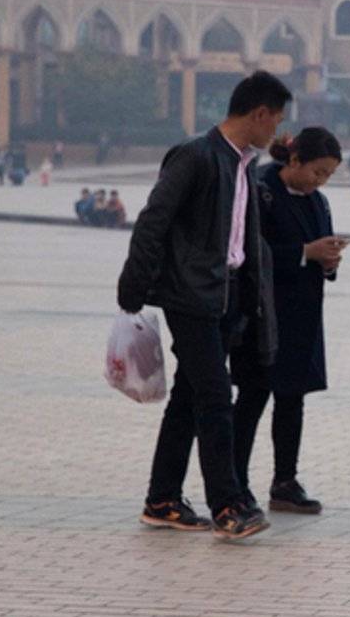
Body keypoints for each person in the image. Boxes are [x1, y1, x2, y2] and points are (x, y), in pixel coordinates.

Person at [116, 70, 289, 541]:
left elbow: (243, 236)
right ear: (257, 114)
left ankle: (162, 498)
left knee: (191, 398)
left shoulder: (242, 163)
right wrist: (132, 288)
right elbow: (153, 220)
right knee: (216, 396)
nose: (276, 129)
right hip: (191, 296)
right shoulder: (195, 157)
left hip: (226, 296)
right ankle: (228, 505)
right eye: (275, 119)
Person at [233, 129, 347, 515]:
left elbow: (319, 251)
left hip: (303, 318)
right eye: (318, 171)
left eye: (328, 175)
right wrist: (303, 253)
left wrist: (328, 259)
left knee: (292, 400)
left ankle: (285, 481)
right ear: (294, 160)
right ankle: (234, 483)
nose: (321, 181)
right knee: (252, 398)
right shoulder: (260, 190)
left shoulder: (319, 201)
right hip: (263, 316)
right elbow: (248, 251)